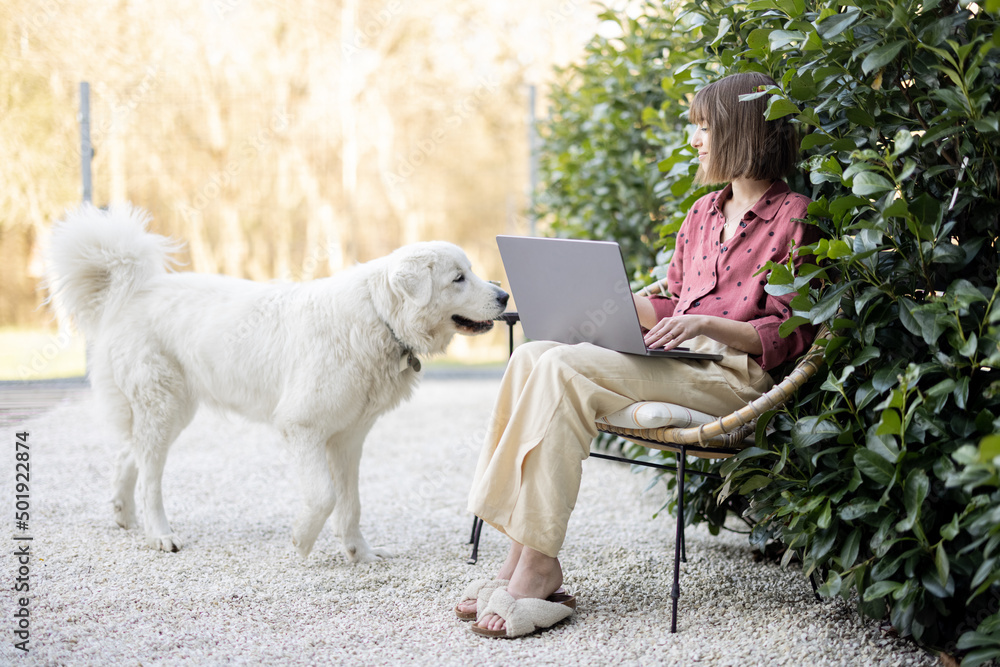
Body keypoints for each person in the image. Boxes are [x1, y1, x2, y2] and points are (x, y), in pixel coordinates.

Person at [456, 71, 821, 638]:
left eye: (704, 126)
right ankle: (520, 560)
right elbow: (673, 298)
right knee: (533, 356)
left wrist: (706, 322)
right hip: (678, 363)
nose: (694, 138)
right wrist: (608, 301)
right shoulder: (702, 214)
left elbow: (789, 337)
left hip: (735, 376)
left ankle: (535, 567)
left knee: (557, 365)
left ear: (743, 130)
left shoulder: (795, 216)